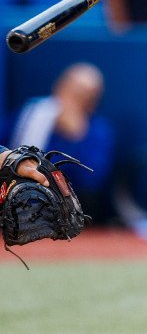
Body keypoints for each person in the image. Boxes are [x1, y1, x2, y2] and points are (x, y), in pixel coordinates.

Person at [3, 62, 114, 222]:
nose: (75, 100)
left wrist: (75, 136)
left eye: (85, 95)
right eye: (73, 91)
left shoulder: (97, 131)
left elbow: (91, 183)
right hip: (13, 199)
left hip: (63, 212)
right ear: (59, 87)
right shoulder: (31, 114)